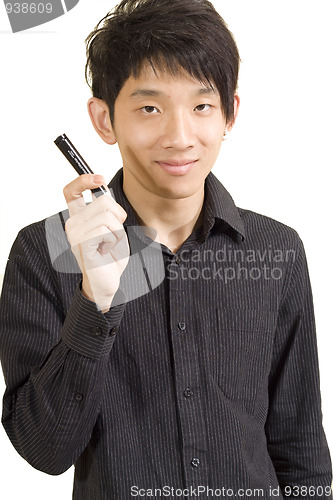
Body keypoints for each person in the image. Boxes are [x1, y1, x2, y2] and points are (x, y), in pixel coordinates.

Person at [0, 0, 332, 499]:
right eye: (149, 108)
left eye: (201, 106)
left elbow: (301, 447)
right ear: (104, 118)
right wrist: (97, 297)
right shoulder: (44, 251)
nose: (180, 137)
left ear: (229, 114)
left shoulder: (276, 249)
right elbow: (45, 452)